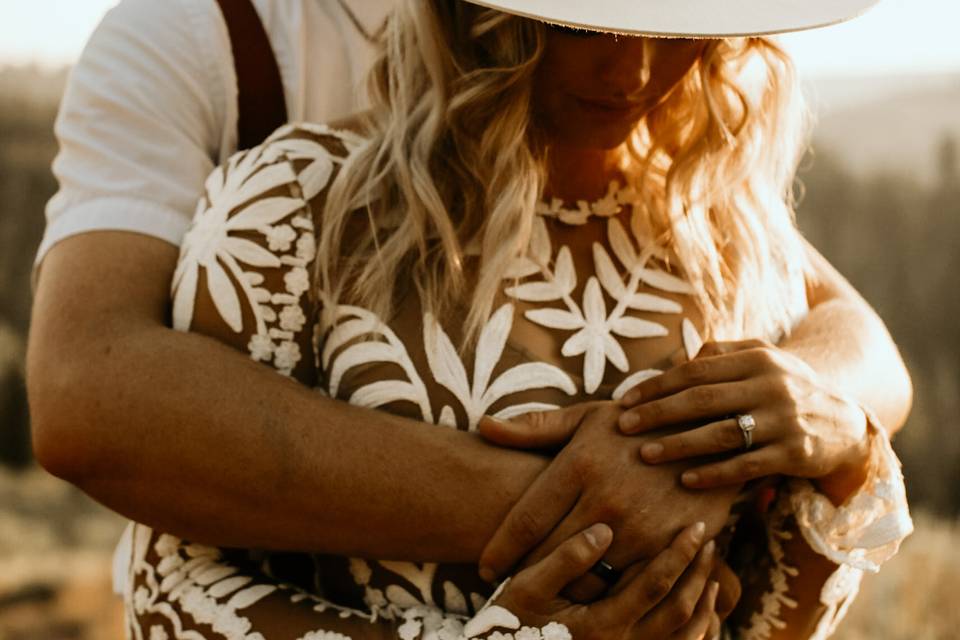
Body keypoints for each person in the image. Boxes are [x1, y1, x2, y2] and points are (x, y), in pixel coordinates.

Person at [27, 0, 914, 638]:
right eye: (584, 20)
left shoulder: (719, 227)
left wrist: (816, 433)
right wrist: (599, 516)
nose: (630, 72)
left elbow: (853, 345)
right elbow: (92, 401)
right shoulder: (231, 100)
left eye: (671, 23)